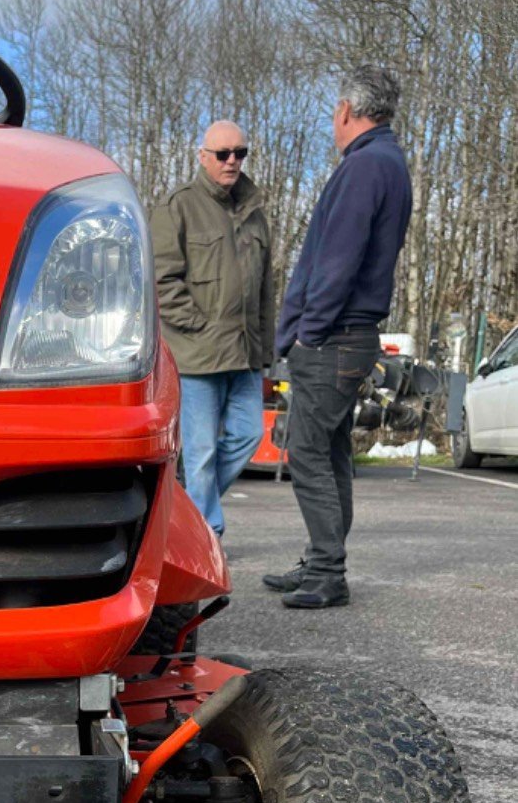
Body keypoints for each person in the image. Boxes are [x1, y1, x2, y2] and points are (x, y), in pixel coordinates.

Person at [266, 65, 413, 608]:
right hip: (352, 336)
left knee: (307, 454)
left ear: (347, 111)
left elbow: (337, 260)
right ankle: (318, 561)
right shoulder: (388, 162)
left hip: (334, 337)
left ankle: (327, 572)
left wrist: (308, 332)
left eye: (334, 110)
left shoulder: (365, 166)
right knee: (329, 455)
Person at [151, 120, 274, 540]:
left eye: (240, 153)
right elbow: (162, 280)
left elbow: (265, 291)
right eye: (223, 154)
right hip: (197, 355)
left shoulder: (255, 214)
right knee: (200, 453)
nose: (232, 161)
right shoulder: (178, 207)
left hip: (245, 354)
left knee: (249, 434)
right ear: (202, 156)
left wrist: (266, 352)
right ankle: (208, 535)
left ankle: (184, 509)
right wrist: (198, 327)